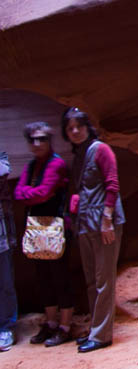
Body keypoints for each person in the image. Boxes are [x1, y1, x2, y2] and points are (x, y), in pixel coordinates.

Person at [62, 107, 125, 353]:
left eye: (79, 125)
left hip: (103, 224)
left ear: (89, 126)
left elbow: (112, 183)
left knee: (103, 280)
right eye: (69, 128)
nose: (75, 131)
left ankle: (101, 336)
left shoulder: (100, 149)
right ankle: (95, 330)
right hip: (86, 224)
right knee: (91, 281)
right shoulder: (79, 155)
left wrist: (107, 219)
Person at [14, 122, 73, 346]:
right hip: (38, 228)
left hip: (57, 229)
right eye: (33, 140)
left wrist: (31, 194)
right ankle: (50, 324)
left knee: (60, 278)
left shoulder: (56, 164)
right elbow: (20, 193)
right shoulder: (31, 166)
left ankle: (65, 326)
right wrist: (32, 194)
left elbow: (43, 192)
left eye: (42, 139)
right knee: (44, 278)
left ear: (50, 141)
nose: (37, 144)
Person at [0, 149, 18, 353]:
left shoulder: (2, 156)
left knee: (4, 282)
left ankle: (6, 328)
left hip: (1, 234)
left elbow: (3, 171)